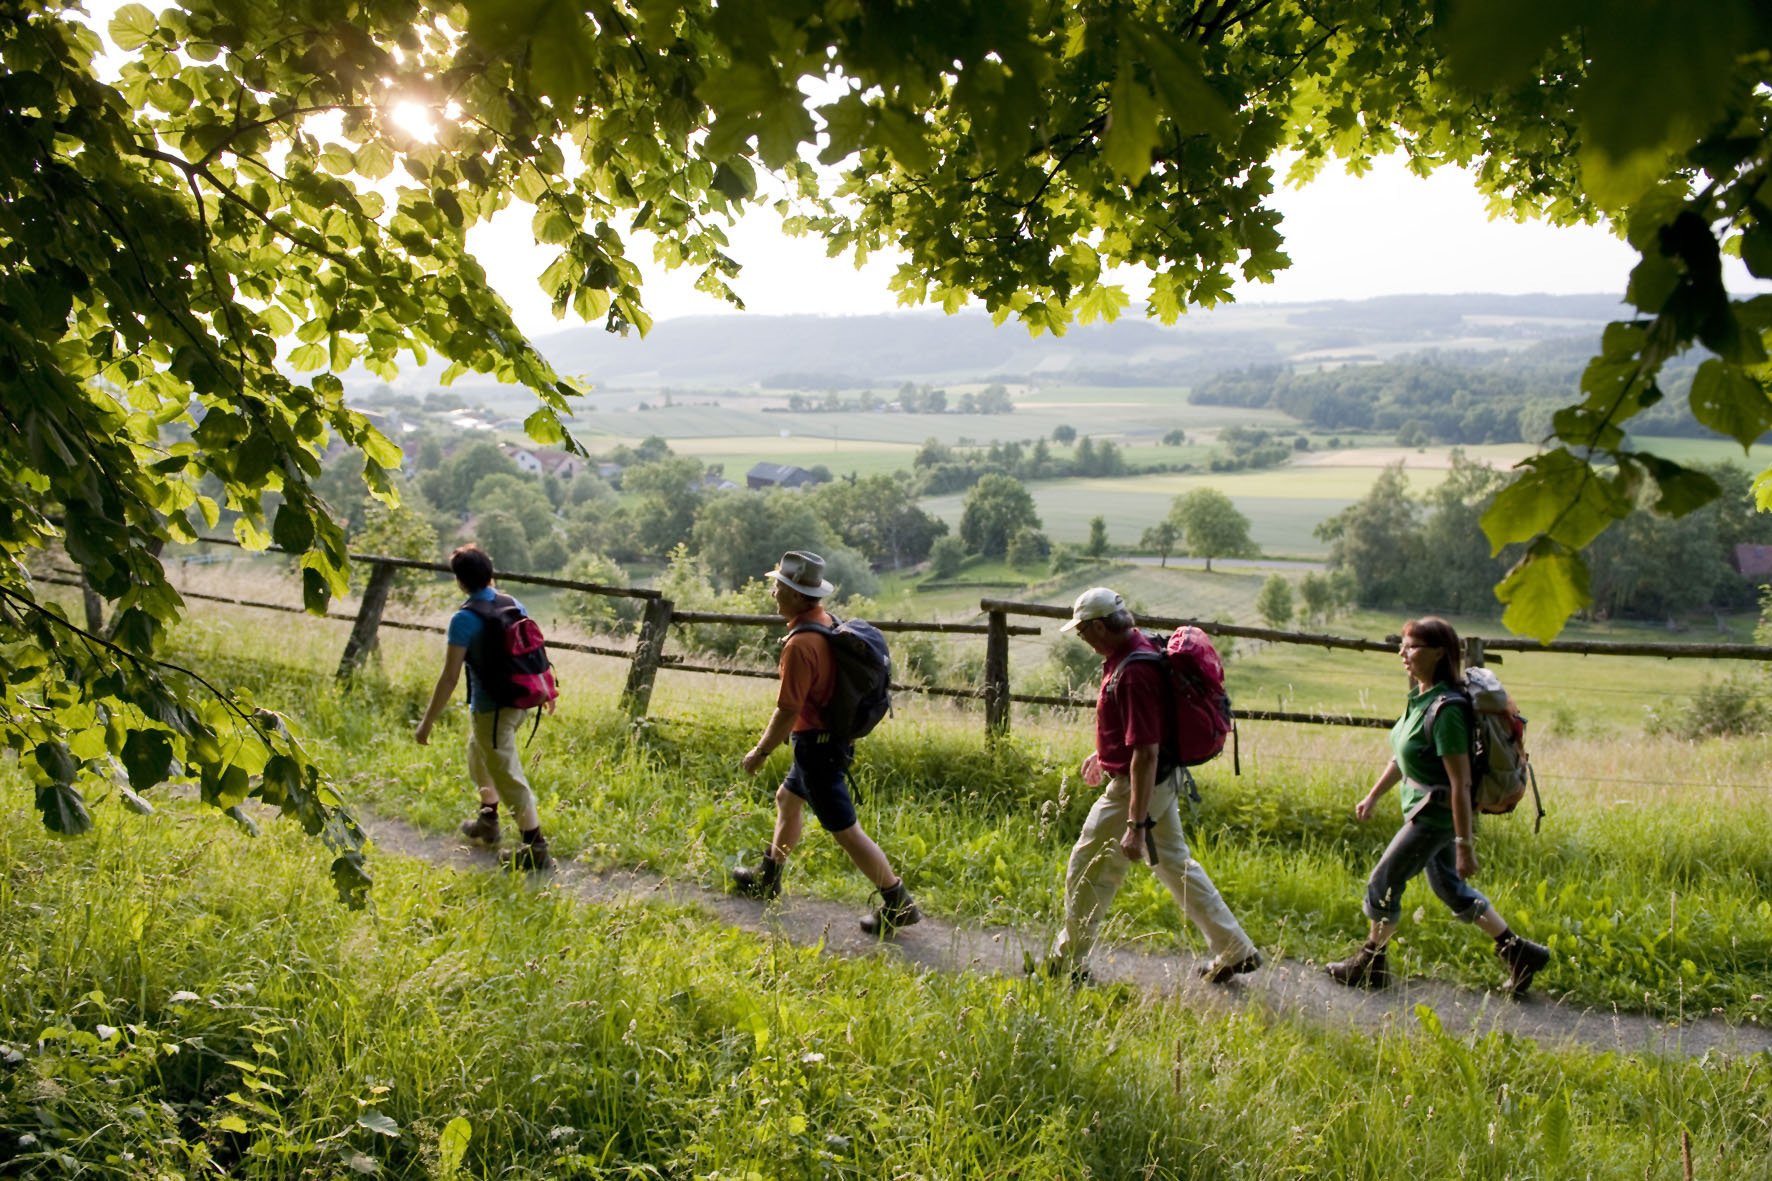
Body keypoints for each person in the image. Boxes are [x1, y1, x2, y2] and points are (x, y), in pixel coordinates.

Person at [1040, 587, 1262, 985]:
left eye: (1082, 631)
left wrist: (1135, 826)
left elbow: (1145, 752)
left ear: (1099, 627)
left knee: (1087, 868)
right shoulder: (1134, 652)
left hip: (1138, 787)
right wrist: (1103, 755)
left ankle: (1067, 963)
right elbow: (1136, 734)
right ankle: (1235, 949)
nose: (1081, 638)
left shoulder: (1133, 672)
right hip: (1161, 780)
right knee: (1175, 866)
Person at [1326, 616, 1551, 997]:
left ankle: (1371, 963)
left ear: (1439, 653)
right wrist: (1374, 795)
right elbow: (1403, 757)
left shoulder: (1447, 711)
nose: (1402, 653)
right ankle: (1520, 952)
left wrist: (1464, 843)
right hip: (1425, 809)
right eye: (1402, 645)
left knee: (1383, 882)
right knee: (1449, 886)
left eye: (1411, 646)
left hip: (1436, 815)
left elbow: (1461, 782)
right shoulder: (1421, 698)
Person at [731, 550, 921, 936]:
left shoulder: (800, 645)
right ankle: (770, 877)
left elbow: (787, 710)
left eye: (779, 587)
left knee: (846, 831)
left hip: (816, 749)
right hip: (823, 742)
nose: (773, 593)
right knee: (787, 800)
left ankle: (898, 901)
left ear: (799, 595)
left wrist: (760, 752)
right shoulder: (826, 623)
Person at [415, 544, 555, 872]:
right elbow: (532, 649)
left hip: (493, 710)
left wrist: (426, 723)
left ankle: (536, 849)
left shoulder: (463, 620)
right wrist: (547, 690)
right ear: (490, 573)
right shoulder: (513, 604)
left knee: (507, 775)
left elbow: (449, 677)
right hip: (519, 702)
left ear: (461, 583)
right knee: (479, 756)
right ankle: (489, 821)